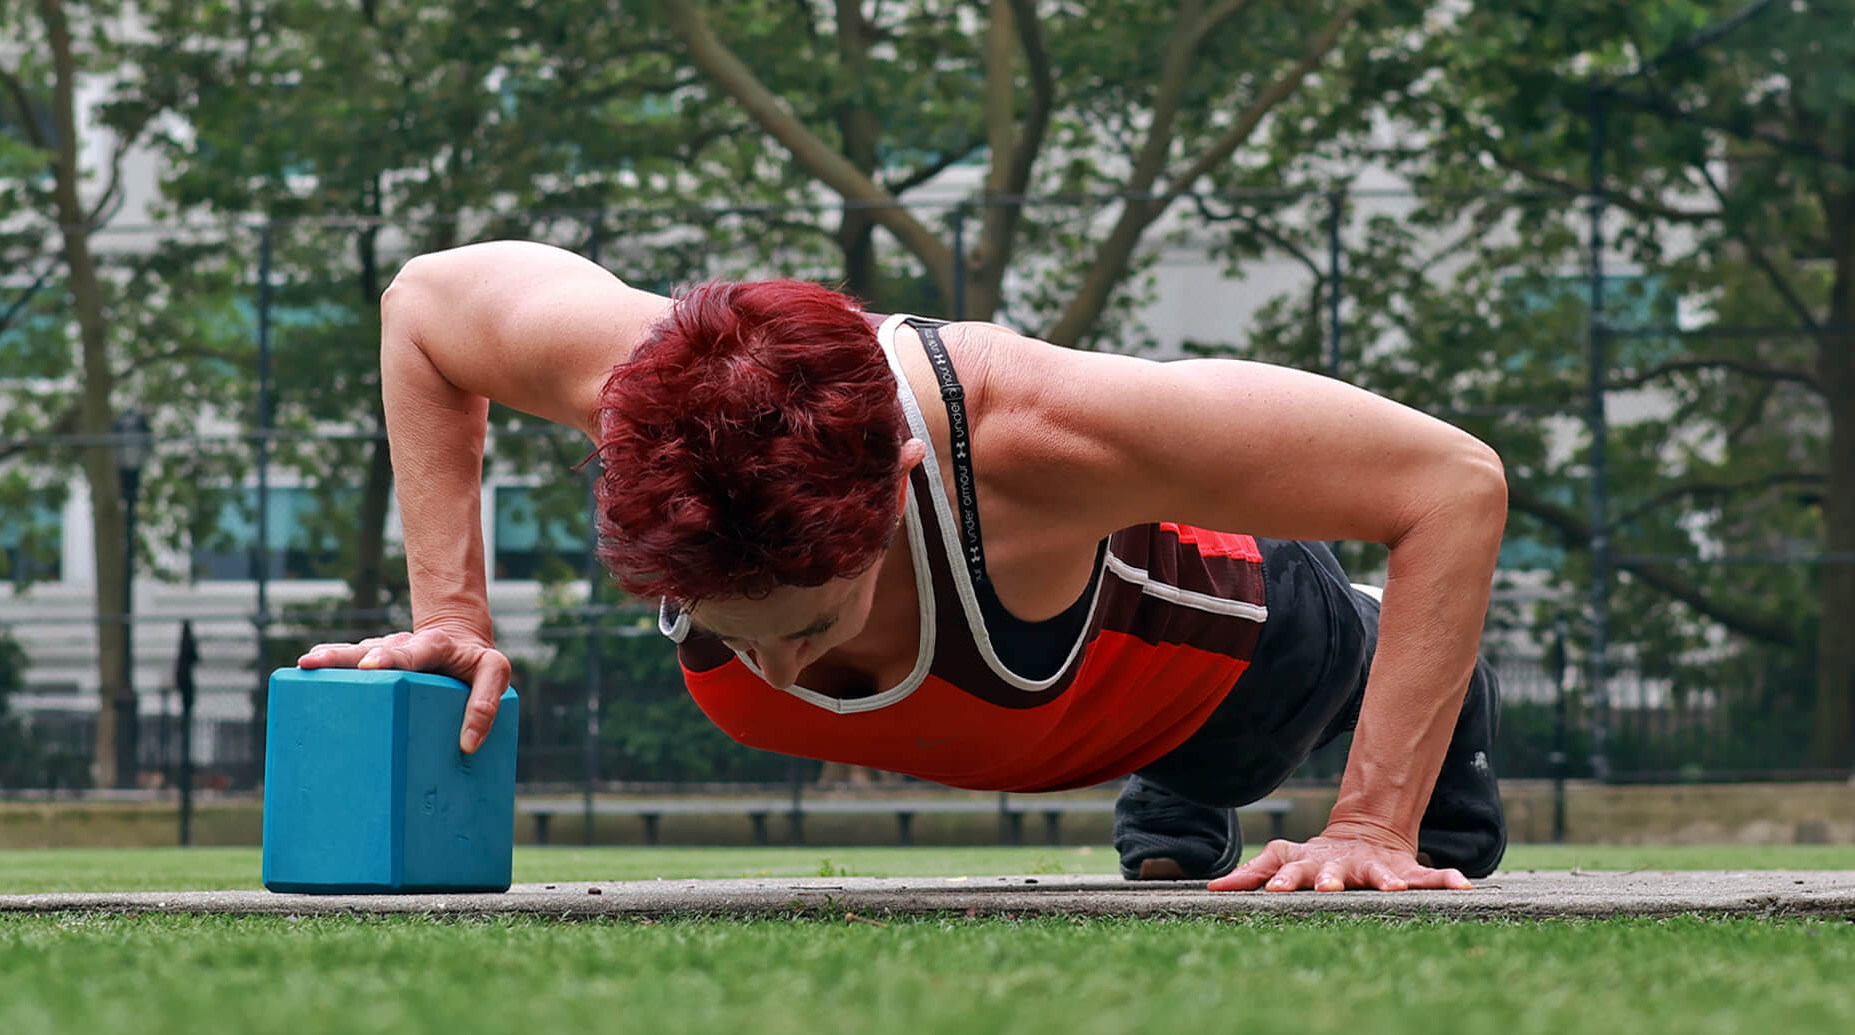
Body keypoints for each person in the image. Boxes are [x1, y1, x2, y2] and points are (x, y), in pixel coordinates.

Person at [298, 240, 1509, 892]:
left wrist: (1372, 824)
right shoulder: (632, 383)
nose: (775, 670)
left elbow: (1452, 484)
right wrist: (452, 614)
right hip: (1030, 708)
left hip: (1245, 656)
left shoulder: (1048, 432)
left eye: (808, 626)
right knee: (1168, 833)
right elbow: (424, 304)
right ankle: (1177, 796)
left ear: (898, 488)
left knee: (1253, 752)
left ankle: (1369, 729)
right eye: (728, 628)